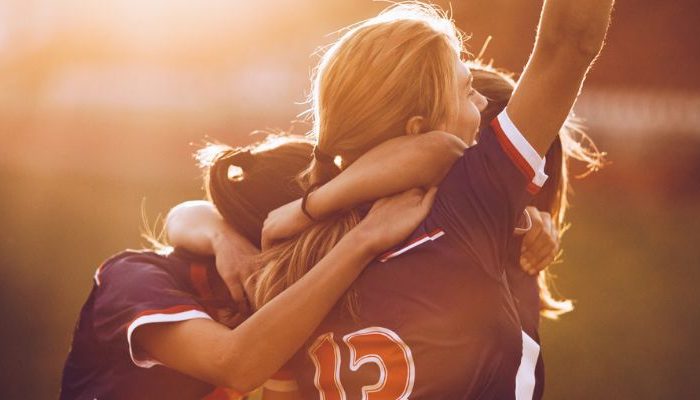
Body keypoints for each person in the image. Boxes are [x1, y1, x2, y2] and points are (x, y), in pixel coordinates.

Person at [246, 1, 613, 398]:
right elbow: (569, 42)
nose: (483, 104)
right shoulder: (467, 206)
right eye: (467, 90)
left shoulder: (296, 254)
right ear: (420, 127)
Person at [59, 136, 440, 400]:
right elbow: (235, 364)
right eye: (321, 249)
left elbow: (440, 152)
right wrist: (361, 242)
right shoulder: (134, 280)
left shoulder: (285, 309)